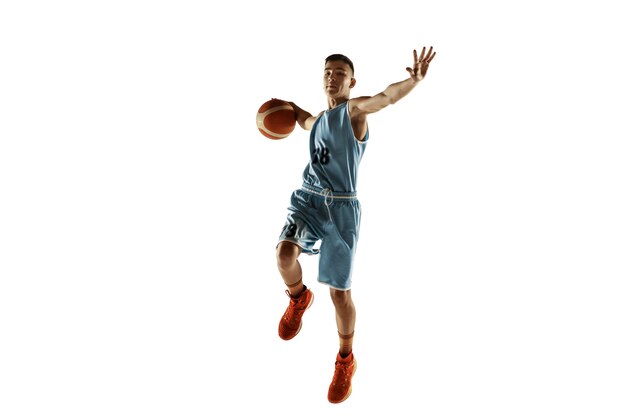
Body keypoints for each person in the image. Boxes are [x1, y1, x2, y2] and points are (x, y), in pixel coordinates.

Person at [275, 46, 436, 403]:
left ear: (351, 81)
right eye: (327, 72)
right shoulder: (317, 120)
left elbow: (384, 98)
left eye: (339, 73)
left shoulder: (353, 111)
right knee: (284, 256)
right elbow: (301, 118)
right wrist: (279, 107)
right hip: (309, 199)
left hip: (342, 210)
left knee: (339, 294)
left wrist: (412, 80)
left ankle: (345, 358)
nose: (332, 77)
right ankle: (299, 299)